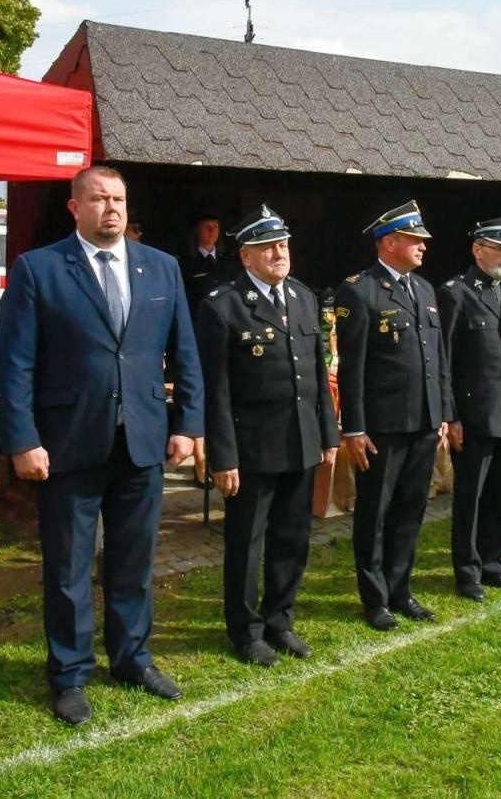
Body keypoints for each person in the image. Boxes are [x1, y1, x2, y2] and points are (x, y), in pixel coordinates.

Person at [0, 166, 203, 726]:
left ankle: (132, 658)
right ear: (75, 207)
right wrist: (22, 439)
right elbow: (13, 364)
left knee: (135, 560)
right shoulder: (39, 269)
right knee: (68, 567)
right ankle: (69, 673)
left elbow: (186, 352)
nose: (112, 209)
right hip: (68, 443)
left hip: (142, 440)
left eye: (119, 199)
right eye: (100, 199)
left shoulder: (161, 266)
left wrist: (188, 424)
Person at [195, 206, 336, 666]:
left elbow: (317, 373)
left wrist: (328, 434)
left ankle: (280, 620)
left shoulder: (303, 297)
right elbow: (215, 390)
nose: (280, 253)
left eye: (284, 244)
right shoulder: (223, 305)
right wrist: (223, 456)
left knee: (292, 538)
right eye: (269, 247)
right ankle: (245, 630)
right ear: (246, 256)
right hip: (252, 448)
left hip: (300, 440)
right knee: (246, 544)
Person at [334, 200, 451, 631]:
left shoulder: (424, 290)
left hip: (423, 422)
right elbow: (352, 368)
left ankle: (401, 589)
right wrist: (355, 428)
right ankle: (375, 598)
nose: (423, 247)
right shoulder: (360, 291)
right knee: (375, 514)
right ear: (388, 243)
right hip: (383, 427)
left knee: (410, 510)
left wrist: (442, 412)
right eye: (414, 239)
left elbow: (438, 359)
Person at [439, 217, 501, 601]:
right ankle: (468, 570)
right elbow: (445, 360)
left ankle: (494, 561)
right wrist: (451, 416)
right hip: (476, 414)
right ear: (478, 250)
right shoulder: (457, 293)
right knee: (471, 498)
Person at [179, 210, 237, 314]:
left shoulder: (229, 260)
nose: (212, 230)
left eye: (215, 226)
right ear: (196, 230)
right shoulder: (185, 263)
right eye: (206, 226)